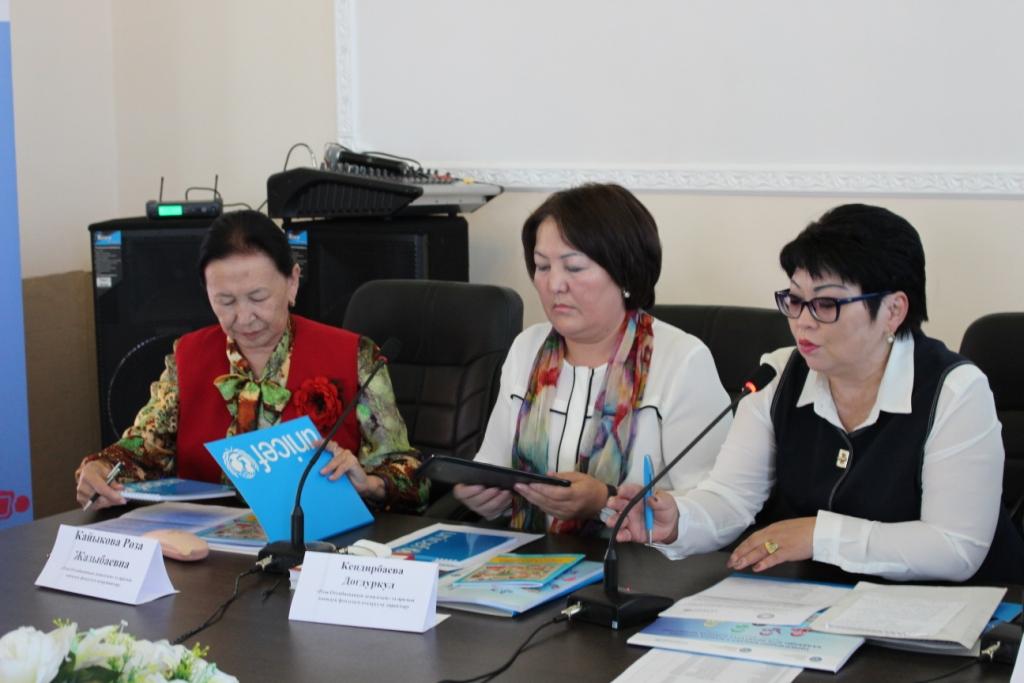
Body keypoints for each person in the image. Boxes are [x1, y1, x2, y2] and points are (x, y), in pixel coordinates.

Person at [608, 204, 1024, 581]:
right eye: (794, 300)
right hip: (827, 604)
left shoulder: (954, 392)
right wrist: (678, 519)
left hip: (966, 615)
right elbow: (732, 498)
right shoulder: (778, 375)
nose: (802, 322)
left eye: (826, 304)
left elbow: (954, 548)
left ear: (893, 310)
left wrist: (819, 535)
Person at [76, 210, 428, 513]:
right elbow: (144, 451)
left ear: (292, 282)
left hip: (318, 546)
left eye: (258, 297)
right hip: (207, 549)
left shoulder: (354, 357)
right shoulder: (187, 357)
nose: (244, 318)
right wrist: (101, 469)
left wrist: (371, 484)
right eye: (225, 301)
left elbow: (411, 472)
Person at [453, 183, 731, 534]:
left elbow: (716, 508)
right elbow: (492, 466)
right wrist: (481, 495)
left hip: (636, 560)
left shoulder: (681, 360)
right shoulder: (527, 347)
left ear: (625, 272)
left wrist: (605, 501)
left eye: (574, 267)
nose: (554, 284)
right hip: (526, 553)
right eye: (542, 266)